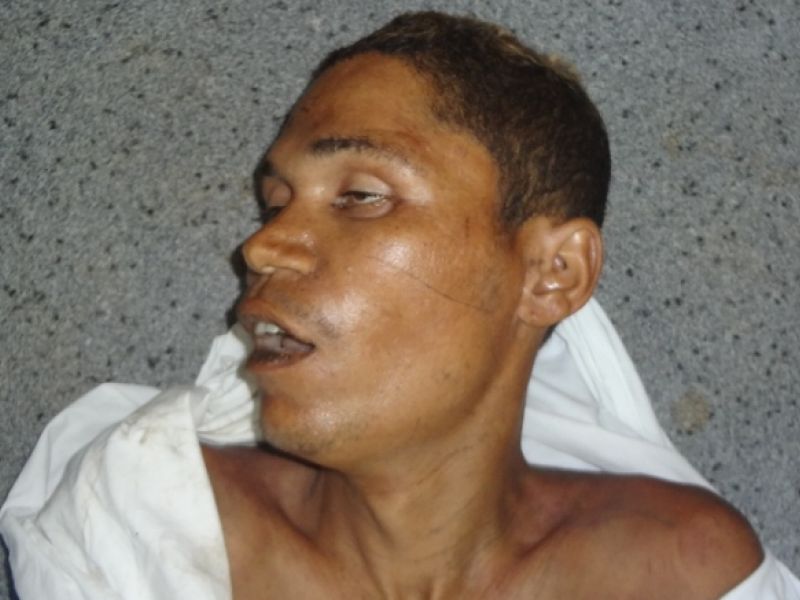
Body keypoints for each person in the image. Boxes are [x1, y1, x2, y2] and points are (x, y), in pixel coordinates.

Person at [2, 11, 799, 600]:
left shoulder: (683, 573)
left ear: (551, 274)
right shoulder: (143, 527)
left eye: (360, 196)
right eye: (274, 203)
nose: (263, 247)